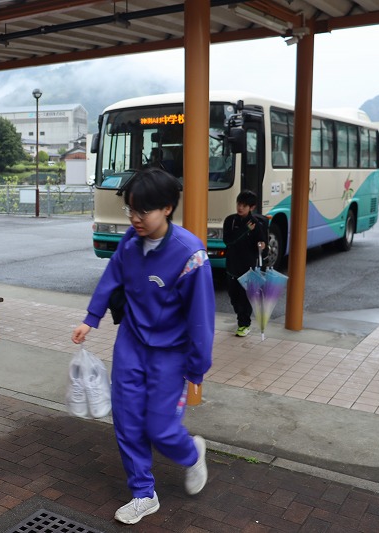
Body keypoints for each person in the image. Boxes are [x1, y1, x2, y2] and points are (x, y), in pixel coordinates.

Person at [71, 168, 215, 525]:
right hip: (131, 345)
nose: (134, 218)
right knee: (127, 421)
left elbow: (201, 318)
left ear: (167, 208)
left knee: (161, 428)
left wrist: (197, 367)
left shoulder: (191, 255)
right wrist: (91, 318)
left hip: (171, 354)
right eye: (130, 209)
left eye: (142, 211)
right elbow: (111, 277)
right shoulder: (130, 242)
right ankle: (143, 493)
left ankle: (191, 454)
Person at [222, 190, 269, 337]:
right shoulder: (230, 221)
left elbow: (263, 244)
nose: (240, 208)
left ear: (251, 207)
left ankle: (244, 324)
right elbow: (228, 241)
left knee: (245, 297)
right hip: (232, 266)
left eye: (244, 205)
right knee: (233, 297)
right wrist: (245, 229)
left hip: (249, 267)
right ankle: (240, 317)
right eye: (239, 204)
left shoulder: (257, 224)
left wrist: (262, 246)